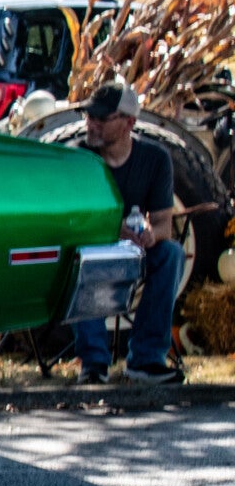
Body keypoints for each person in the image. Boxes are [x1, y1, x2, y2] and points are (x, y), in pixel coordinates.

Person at [71, 80, 185, 385]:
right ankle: (93, 362)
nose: (91, 124)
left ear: (129, 123)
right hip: (92, 250)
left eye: (101, 118)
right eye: (89, 117)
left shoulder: (155, 159)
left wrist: (150, 234)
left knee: (171, 253)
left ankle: (146, 360)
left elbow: (164, 223)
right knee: (84, 255)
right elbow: (74, 220)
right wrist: (115, 228)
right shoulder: (79, 157)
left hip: (132, 252)